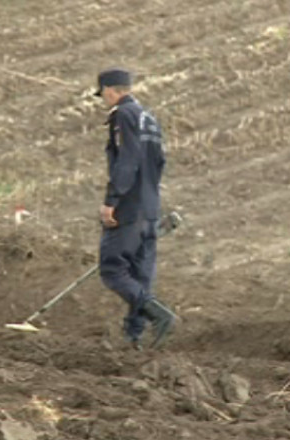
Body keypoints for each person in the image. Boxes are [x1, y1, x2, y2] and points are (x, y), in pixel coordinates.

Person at [94, 67, 175, 350]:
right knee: (140, 275)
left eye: (103, 94)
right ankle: (134, 340)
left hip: (128, 208)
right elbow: (159, 162)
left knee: (112, 270)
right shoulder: (149, 119)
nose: (104, 99)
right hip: (149, 207)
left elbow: (126, 161)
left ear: (110, 90)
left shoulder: (122, 115)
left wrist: (112, 201)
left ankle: (159, 315)